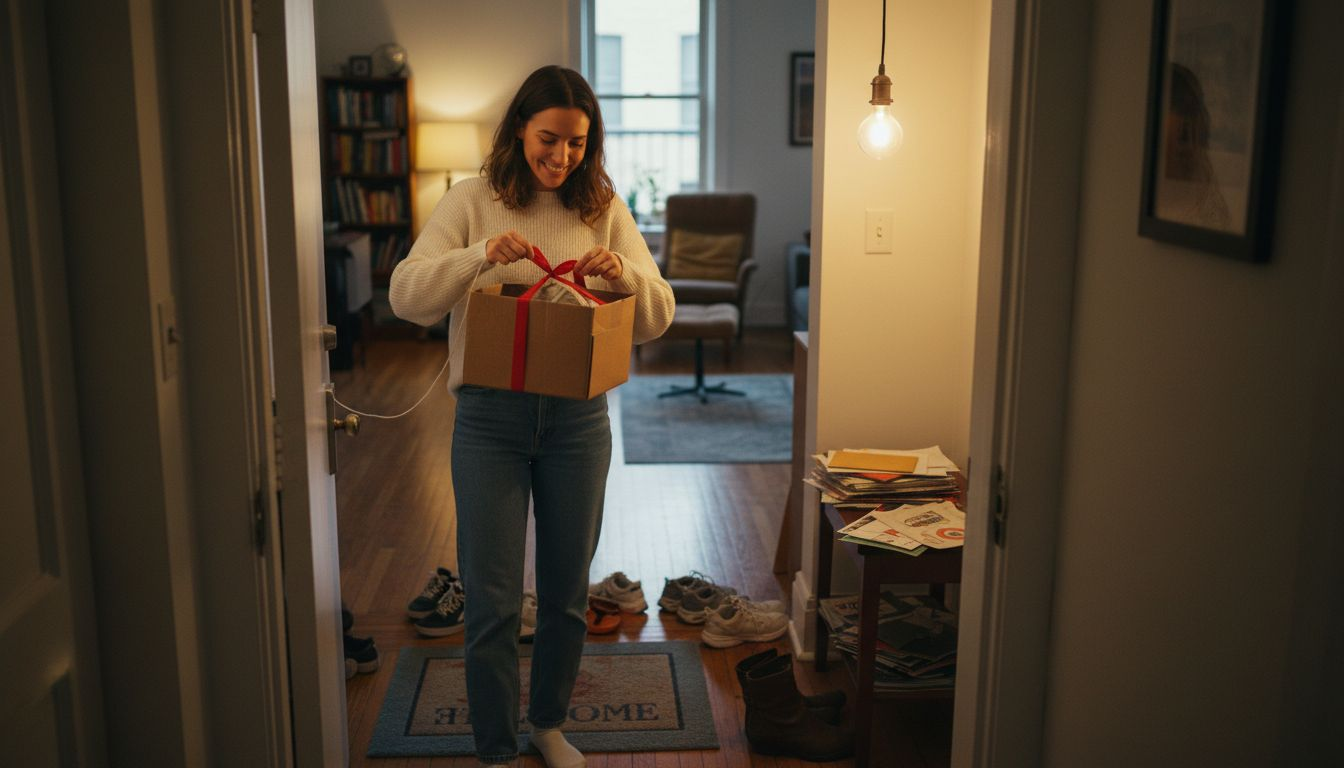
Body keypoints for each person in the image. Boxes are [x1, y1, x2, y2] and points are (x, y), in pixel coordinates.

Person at [389, 66, 675, 767]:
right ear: (520, 128)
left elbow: (657, 316)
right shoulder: (470, 199)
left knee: (566, 594)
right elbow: (406, 296)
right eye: (550, 138)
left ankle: (547, 726)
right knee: (489, 601)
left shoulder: (601, 205)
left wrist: (624, 277)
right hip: (489, 421)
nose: (562, 156)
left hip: (580, 423)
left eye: (578, 143)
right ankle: (493, 749)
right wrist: (478, 255)